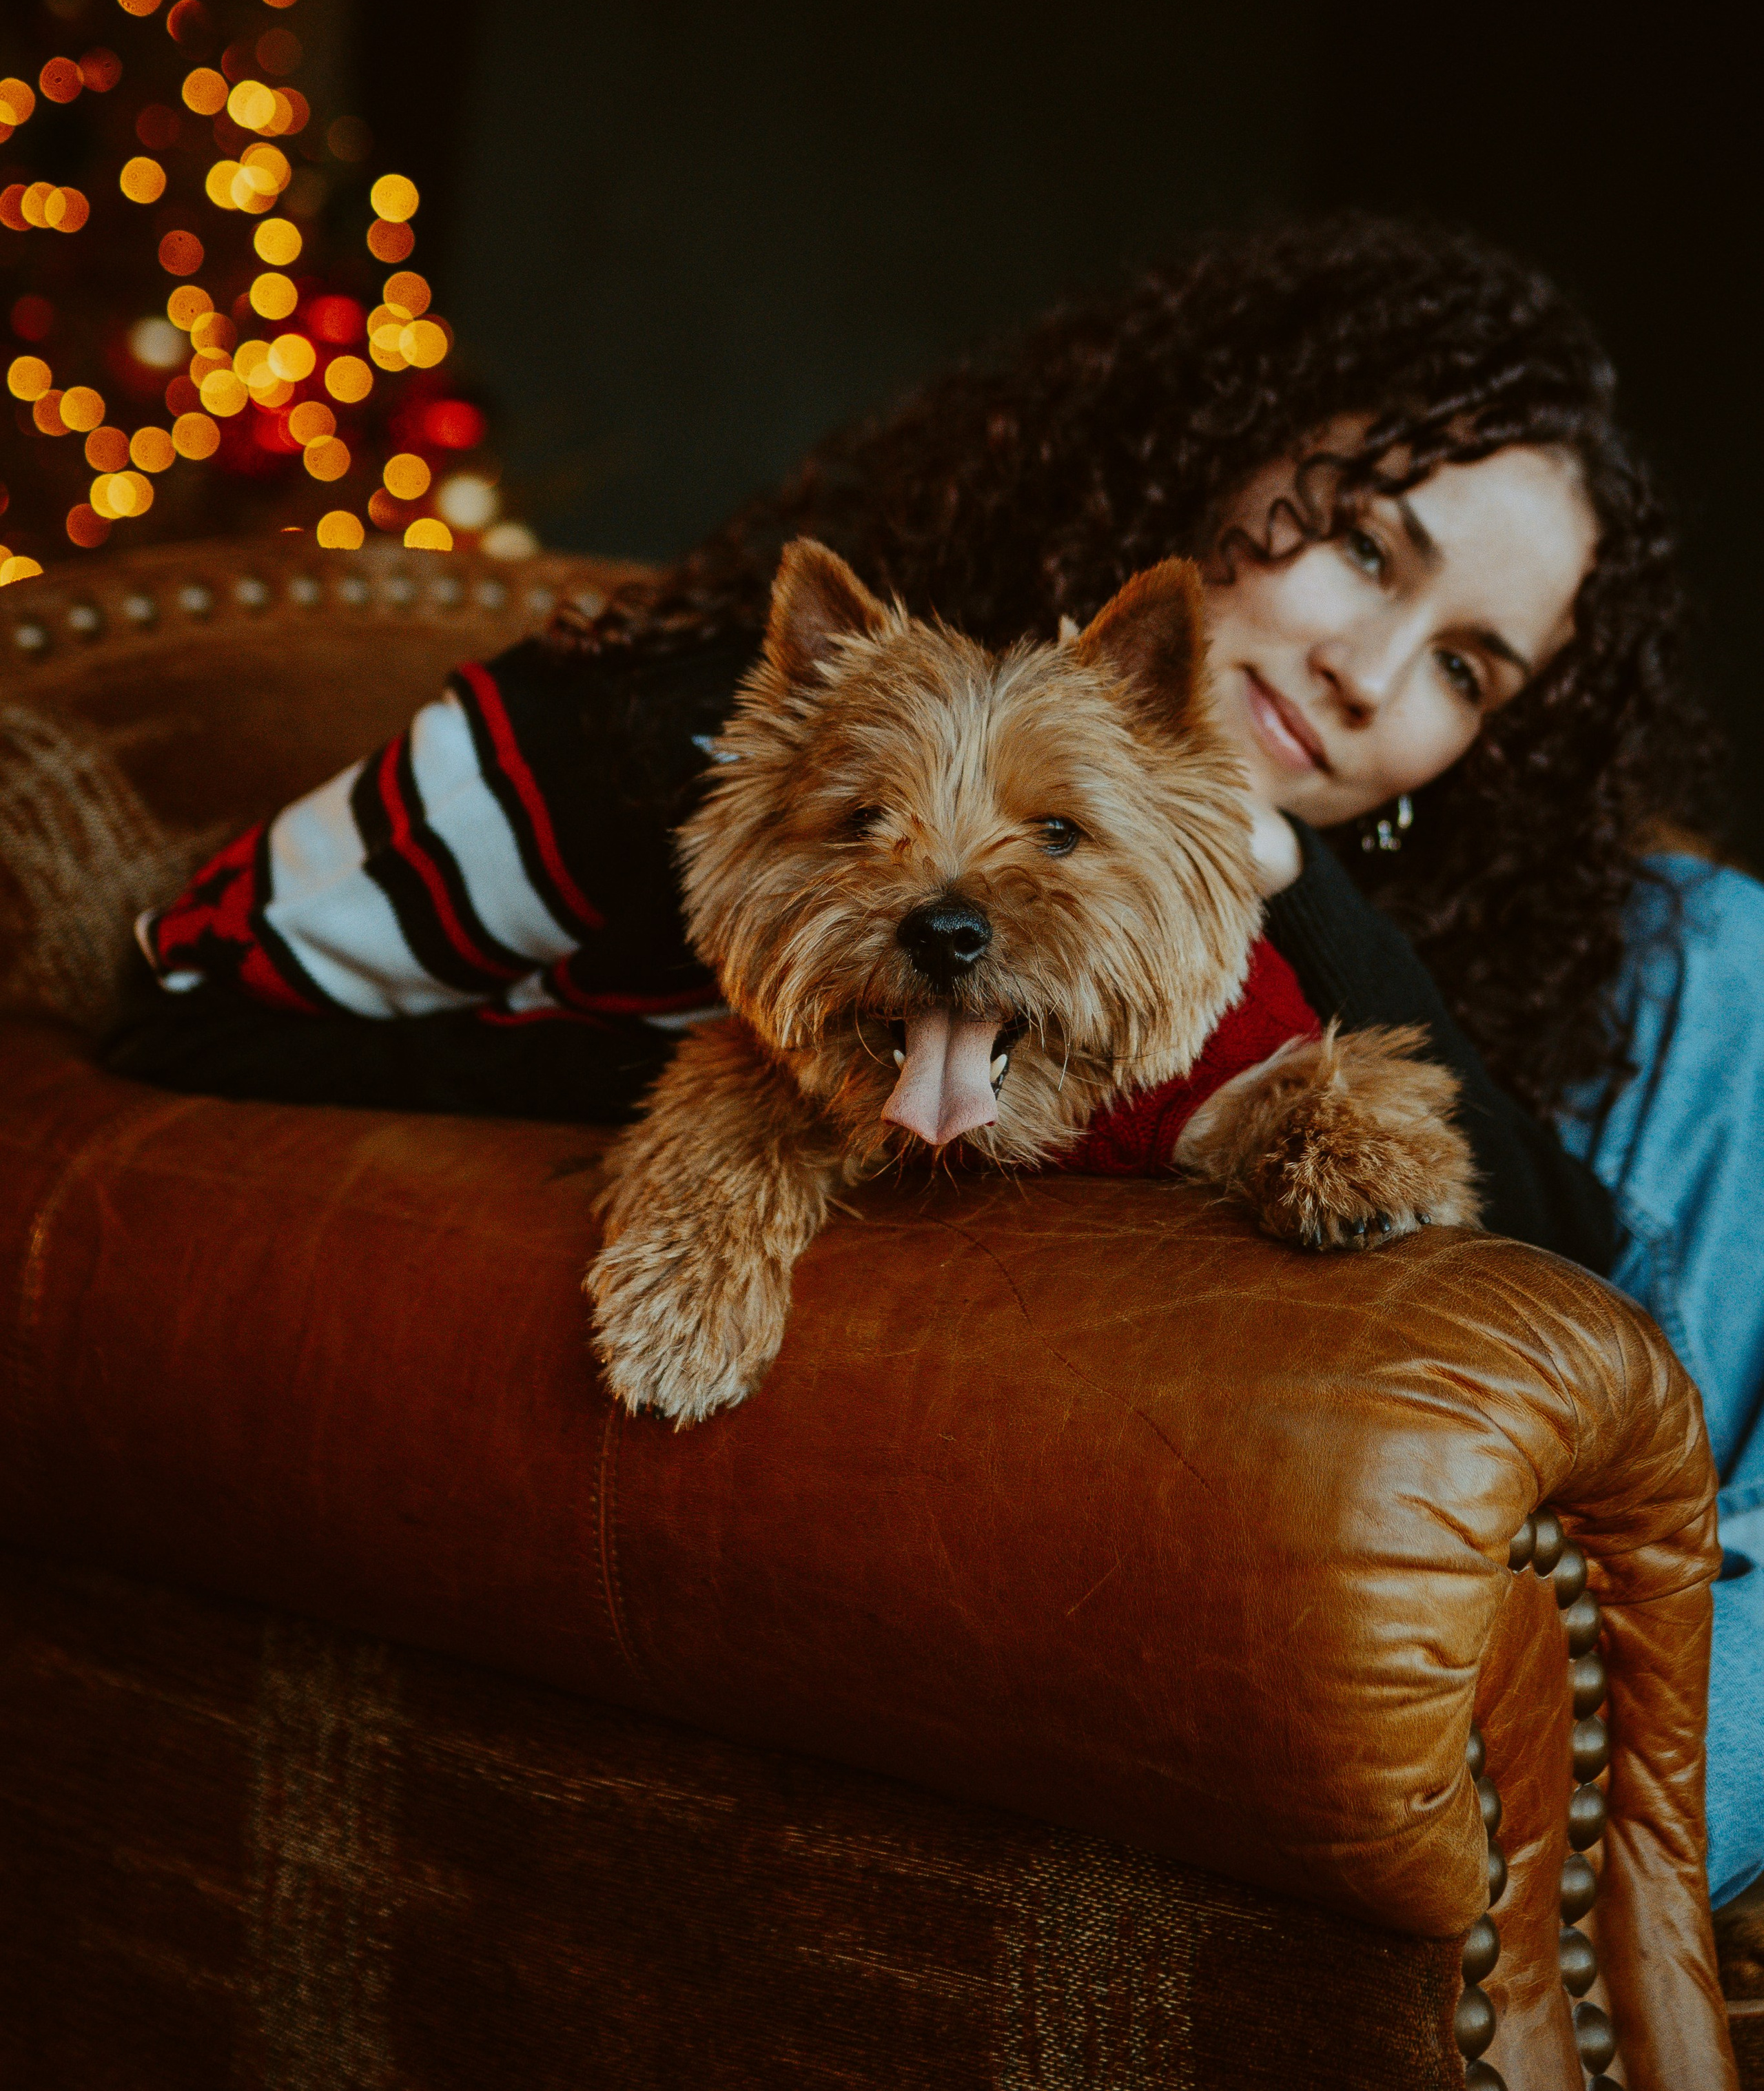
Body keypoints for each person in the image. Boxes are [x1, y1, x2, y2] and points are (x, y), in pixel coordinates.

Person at [104, 212, 1762, 1900]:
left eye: (1463, 670)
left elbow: (1573, 1297)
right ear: (1203, 438)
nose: (1367, 676)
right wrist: (762, 1070)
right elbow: (189, 994)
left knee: (1718, 948)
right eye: (1354, 545)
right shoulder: (647, 739)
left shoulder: (1312, 904)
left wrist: (1293, 875)